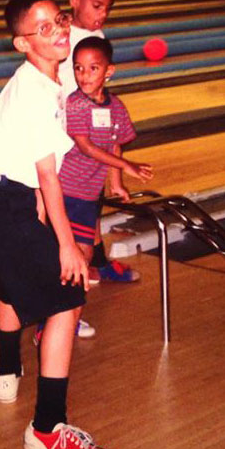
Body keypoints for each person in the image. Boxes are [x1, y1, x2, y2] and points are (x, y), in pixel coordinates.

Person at [0, 0, 112, 449]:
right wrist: (68, 247)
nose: (59, 31)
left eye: (60, 20)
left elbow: (34, 173)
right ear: (23, 43)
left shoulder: (49, 82)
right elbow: (47, 175)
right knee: (69, 296)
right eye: (43, 27)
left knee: (10, 279)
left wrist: (44, 220)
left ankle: (7, 368)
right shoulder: (34, 89)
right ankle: (47, 429)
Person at [61, 0, 142, 287]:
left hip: (87, 139)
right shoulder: (62, 37)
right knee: (72, 216)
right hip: (64, 143)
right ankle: (75, 279)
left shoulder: (97, 39)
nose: (103, 14)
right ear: (75, 1)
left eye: (108, 7)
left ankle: (96, 262)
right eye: (97, 5)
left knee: (88, 205)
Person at [58, 37, 153, 276]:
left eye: (93, 68)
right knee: (79, 255)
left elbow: (115, 145)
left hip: (89, 194)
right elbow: (85, 146)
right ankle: (66, 310)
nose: (84, 75)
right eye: (78, 68)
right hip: (66, 189)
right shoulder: (76, 103)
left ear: (108, 71)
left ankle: (67, 308)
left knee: (83, 256)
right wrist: (126, 165)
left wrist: (117, 183)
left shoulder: (117, 107)